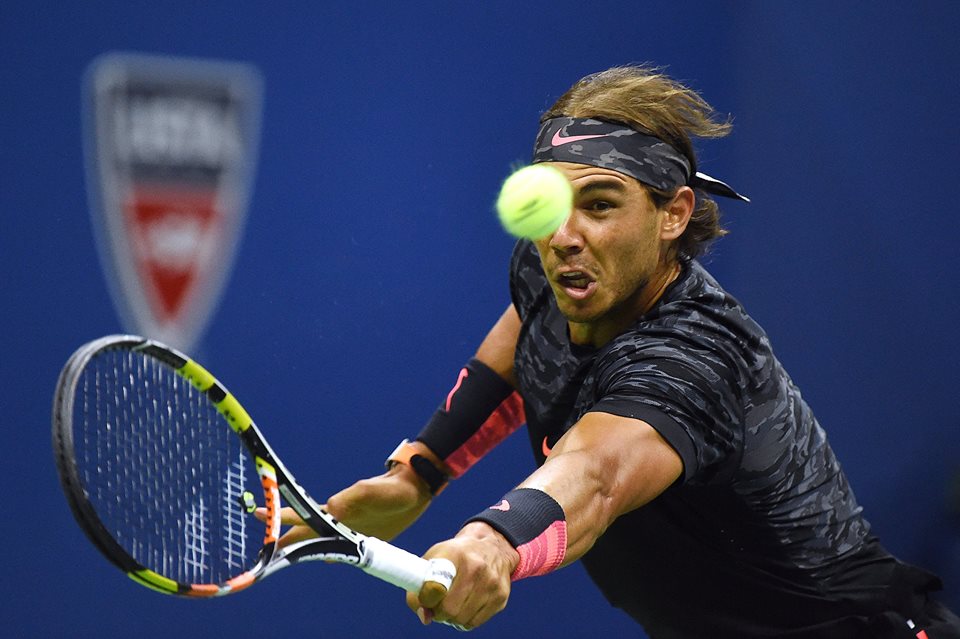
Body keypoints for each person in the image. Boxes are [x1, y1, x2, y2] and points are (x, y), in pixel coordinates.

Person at [280, 65, 960, 637]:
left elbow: (596, 477)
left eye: (601, 204)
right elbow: (528, 335)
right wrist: (420, 471)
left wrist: (492, 541)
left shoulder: (694, 356)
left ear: (674, 213)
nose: (564, 236)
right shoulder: (556, 266)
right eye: (552, 206)